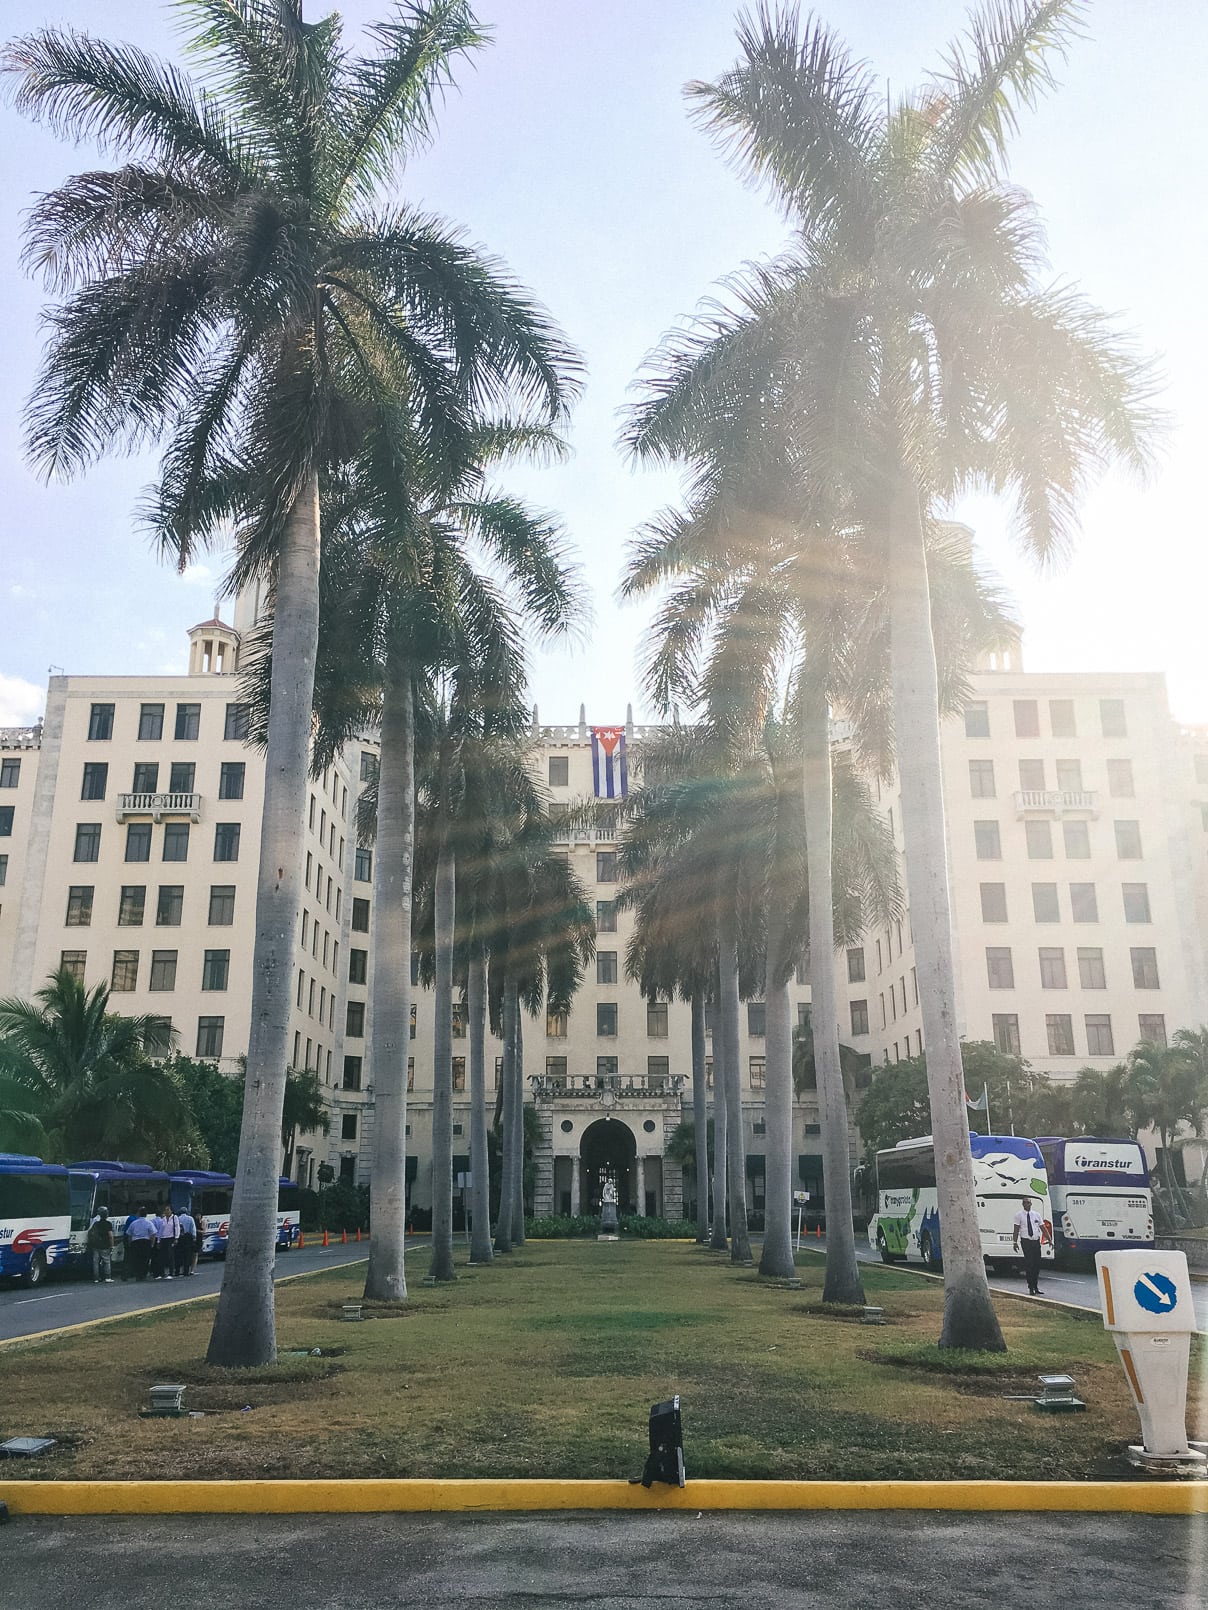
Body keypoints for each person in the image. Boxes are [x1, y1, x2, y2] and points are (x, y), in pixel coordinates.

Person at [1012, 1194, 1049, 1295]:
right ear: (1022, 1204)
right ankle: (1030, 1287)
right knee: (1029, 1263)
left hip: (1035, 1241)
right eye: (1024, 1203)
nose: (1026, 1204)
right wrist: (1014, 1242)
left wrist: (1049, 1239)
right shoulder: (1019, 1215)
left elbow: (1043, 1227)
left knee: (1037, 1264)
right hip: (1026, 1241)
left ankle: (1036, 1286)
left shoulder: (1036, 1215)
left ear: (1031, 1204)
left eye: (1028, 1202)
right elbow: (1016, 1229)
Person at [86, 1205, 115, 1283]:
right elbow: (110, 1236)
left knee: (95, 1262)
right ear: (106, 1214)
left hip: (95, 1245)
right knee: (106, 1261)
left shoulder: (95, 1223)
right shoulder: (108, 1224)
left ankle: (96, 1278)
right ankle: (107, 1277)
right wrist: (112, 1246)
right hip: (105, 1245)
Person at [126, 1205, 156, 1281]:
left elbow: (129, 1234)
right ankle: (143, 1274)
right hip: (145, 1242)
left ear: (139, 1214)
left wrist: (130, 1243)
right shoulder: (149, 1223)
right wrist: (152, 1243)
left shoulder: (134, 1223)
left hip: (135, 1242)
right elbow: (153, 1234)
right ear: (146, 1214)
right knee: (145, 1259)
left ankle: (138, 1275)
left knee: (136, 1259)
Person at [152, 1203, 178, 1279]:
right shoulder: (162, 1219)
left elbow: (177, 1228)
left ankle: (171, 1272)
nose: (166, 1211)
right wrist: (158, 1241)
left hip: (171, 1238)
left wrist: (176, 1238)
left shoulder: (174, 1218)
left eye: (168, 1210)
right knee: (162, 1256)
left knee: (170, 1255)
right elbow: (160, 1230)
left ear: (171, 1210)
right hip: (163, 1238)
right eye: (165, 1210)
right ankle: (161, 1273)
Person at [175, 1206, 197, 1276]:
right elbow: (193, 1229)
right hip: (188, 1238)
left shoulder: (177, 1219)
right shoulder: (190, 1218)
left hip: (180, 1237)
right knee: (187, 1256)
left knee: (178, 1255)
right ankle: (186, 1271)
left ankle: (177, 1271)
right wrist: (194, 1238)